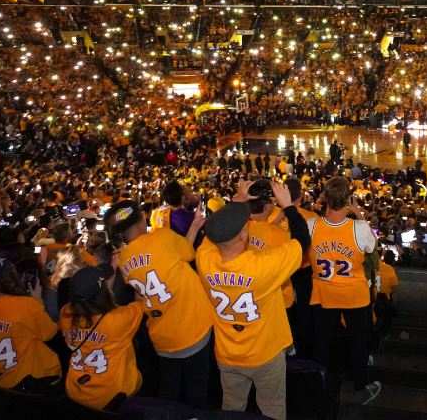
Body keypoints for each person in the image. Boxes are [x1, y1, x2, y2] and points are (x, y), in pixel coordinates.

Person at [196, 179, 310, 420]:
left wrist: (237, 201)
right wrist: (288, 206)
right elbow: (301, 240)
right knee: (272, 410)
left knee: (232, 409)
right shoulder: (262, 267)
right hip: (265, 354)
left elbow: (216, 230)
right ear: (244, 234)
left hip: (227, 353)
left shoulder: (203, 259)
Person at [109, 199, 213, 408]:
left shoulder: (124, 258)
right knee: (197, 387)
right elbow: (188, 253)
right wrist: (194, 227)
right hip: (192, 329)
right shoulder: (163, 236)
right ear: (141, 219)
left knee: (169, 388)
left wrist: (193, 226)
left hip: (161, 335)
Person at [307, 176, 381, 404]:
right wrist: (358, 213)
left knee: (322, 343)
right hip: (354, 294)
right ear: (348, 199)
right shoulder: (359, 228)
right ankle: (360, 386)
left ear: (323, 199)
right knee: (358, 342)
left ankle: (318, 388)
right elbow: (373, 246)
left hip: (323, 292)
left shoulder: (311, 226)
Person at [0, 252, 62, 393]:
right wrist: (39, 304)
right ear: (6, 276)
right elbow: (50, 332)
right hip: (32, 383)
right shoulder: (25, 305)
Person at [59, 266, 145, 411]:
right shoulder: (120, 318)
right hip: (113, 397)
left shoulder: (65, 314)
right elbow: (140, 301)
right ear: (103, 292)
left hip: (75, 392)